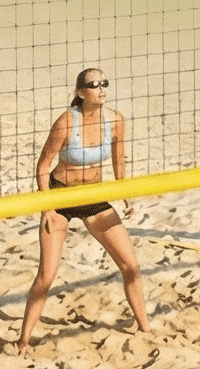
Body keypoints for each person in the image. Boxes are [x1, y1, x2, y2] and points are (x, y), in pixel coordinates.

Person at [15, 68, 151, 354]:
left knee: (131, 266)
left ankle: (146, 328)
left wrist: (125, 196)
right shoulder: (66, 122)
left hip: (94, 196)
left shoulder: (115, 120)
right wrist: (47, 209)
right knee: (47, 275)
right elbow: (42, 167)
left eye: (105, 82)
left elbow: (118, 162)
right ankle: (23, 341)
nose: (101, 88)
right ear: (80, 92)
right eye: (94, 84)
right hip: (61, 197)